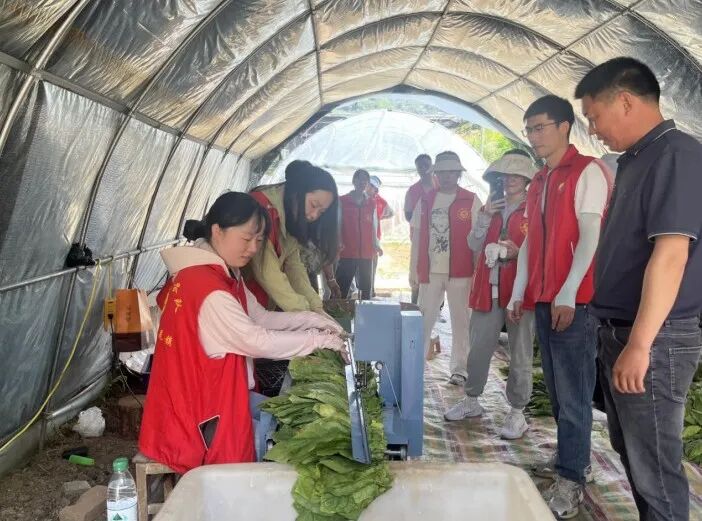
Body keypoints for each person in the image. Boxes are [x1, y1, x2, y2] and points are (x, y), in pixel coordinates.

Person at [576, 57, 702, 521]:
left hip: (655, 336)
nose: (594, 130)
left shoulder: (675, 156)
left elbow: (671, 255)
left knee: (654, 466)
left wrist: (640, 344)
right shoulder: (634, 160)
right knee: (632, 450)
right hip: (621, 330)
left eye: (595, 117)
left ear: (625, 101)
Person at [139, 192, 346, 473]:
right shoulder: (209, 289)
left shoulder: (221, 273)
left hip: (197, 398)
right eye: (247, 238)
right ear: (217, 231)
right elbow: (257, 341)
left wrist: (313, 320)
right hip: (197, 417)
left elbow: (259, 317)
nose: (252, 248)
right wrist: (320, 340)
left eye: (259, 241)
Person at [507, 95, 613, 519]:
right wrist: (519, 289)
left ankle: (572, 478)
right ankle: (572, 458)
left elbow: (590, 236)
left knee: (573, 395)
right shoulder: (540, 180)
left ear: (564, 126)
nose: (533, 137)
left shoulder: (588, 171)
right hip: (545, 299)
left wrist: (569, 292)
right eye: (529, 130)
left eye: (540, 128)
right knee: (556, 390)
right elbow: (531, 242)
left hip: (575, 302)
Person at [444, 150, 536, 440]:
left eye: (516, 174)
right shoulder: (491, 206)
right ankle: (471, 400)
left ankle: (517, 412)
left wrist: (517, 252)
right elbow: (473, 243)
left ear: (527, 178)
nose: (510, 180)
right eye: (505, 175)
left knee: (520, 352)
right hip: (488, 289)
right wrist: (484, 217)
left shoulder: (535, 207)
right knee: (479, 347)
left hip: (520, 291)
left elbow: (541, 251)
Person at [410, 151, 482, 384]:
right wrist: (413, 269)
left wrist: (478, 272)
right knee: (424, 319)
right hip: (430, 271)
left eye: (452, 172)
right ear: (436, 174)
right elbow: (417, 236)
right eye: (442, 172)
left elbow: (479, 238)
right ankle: (416, 366)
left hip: (461, 271)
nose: (447, 176)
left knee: (462, 321)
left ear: (459, 174)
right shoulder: (425, 200)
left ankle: (460, 369)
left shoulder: (471, 200)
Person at [246, 160, 341, 311]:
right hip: (242, 305)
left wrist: (316, 308)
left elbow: (294, 267)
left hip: (261, 308)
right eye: (314, 205)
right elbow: (267, 272)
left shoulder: (291, 216)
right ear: (297, 192)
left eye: (321, 212)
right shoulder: (262, 207)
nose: (314, 215)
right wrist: (307, 313)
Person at [337, 169, 382, 300]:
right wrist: (338, 242)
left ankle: (364, 312)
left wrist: (376, 244)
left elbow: (374, 225)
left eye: (365, 180)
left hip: (366, 253)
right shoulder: (342, 201)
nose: (362, 182)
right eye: (359, 179)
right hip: (347, 252)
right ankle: (339, 312)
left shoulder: (371, 203)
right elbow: (337, 224)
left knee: (366, 291)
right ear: (353, 181)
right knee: (341, 288)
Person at [405, 154, 436, 304]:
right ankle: (414, 303)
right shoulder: (413, 190)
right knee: (417, 269)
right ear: (417, 169)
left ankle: (436, 305)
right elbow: (408, 215)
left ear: (432, 166)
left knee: (437, 269)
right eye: (420, 166)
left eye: (426, 165)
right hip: (418, 237)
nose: (423, 169)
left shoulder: (442, 186)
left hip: (439, 237)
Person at [367, 175, 394, 296]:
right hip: (359, 237)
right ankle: (361, 290)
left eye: (372, 186)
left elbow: (391, 213)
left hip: (374, 237)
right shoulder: (361, 198)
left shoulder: (380, 201)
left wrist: (378, 218)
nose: (369, 187)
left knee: (372, 264)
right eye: (368, 185)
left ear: (376, 189)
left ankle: (370, 289)